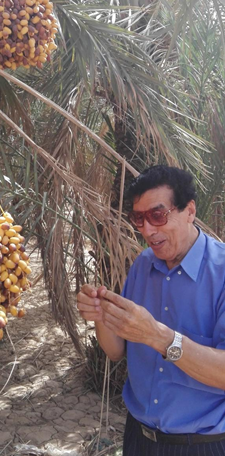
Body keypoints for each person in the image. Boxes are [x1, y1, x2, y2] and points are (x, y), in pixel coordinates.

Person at [77, 165, 225, 456]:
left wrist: (159, 337)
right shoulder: (143, 265)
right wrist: (101, 313)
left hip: (202, 446)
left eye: (158, 216)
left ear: (190, 211)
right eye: (139, 219)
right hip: (139, 439)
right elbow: (116, 350)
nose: (147, 229)